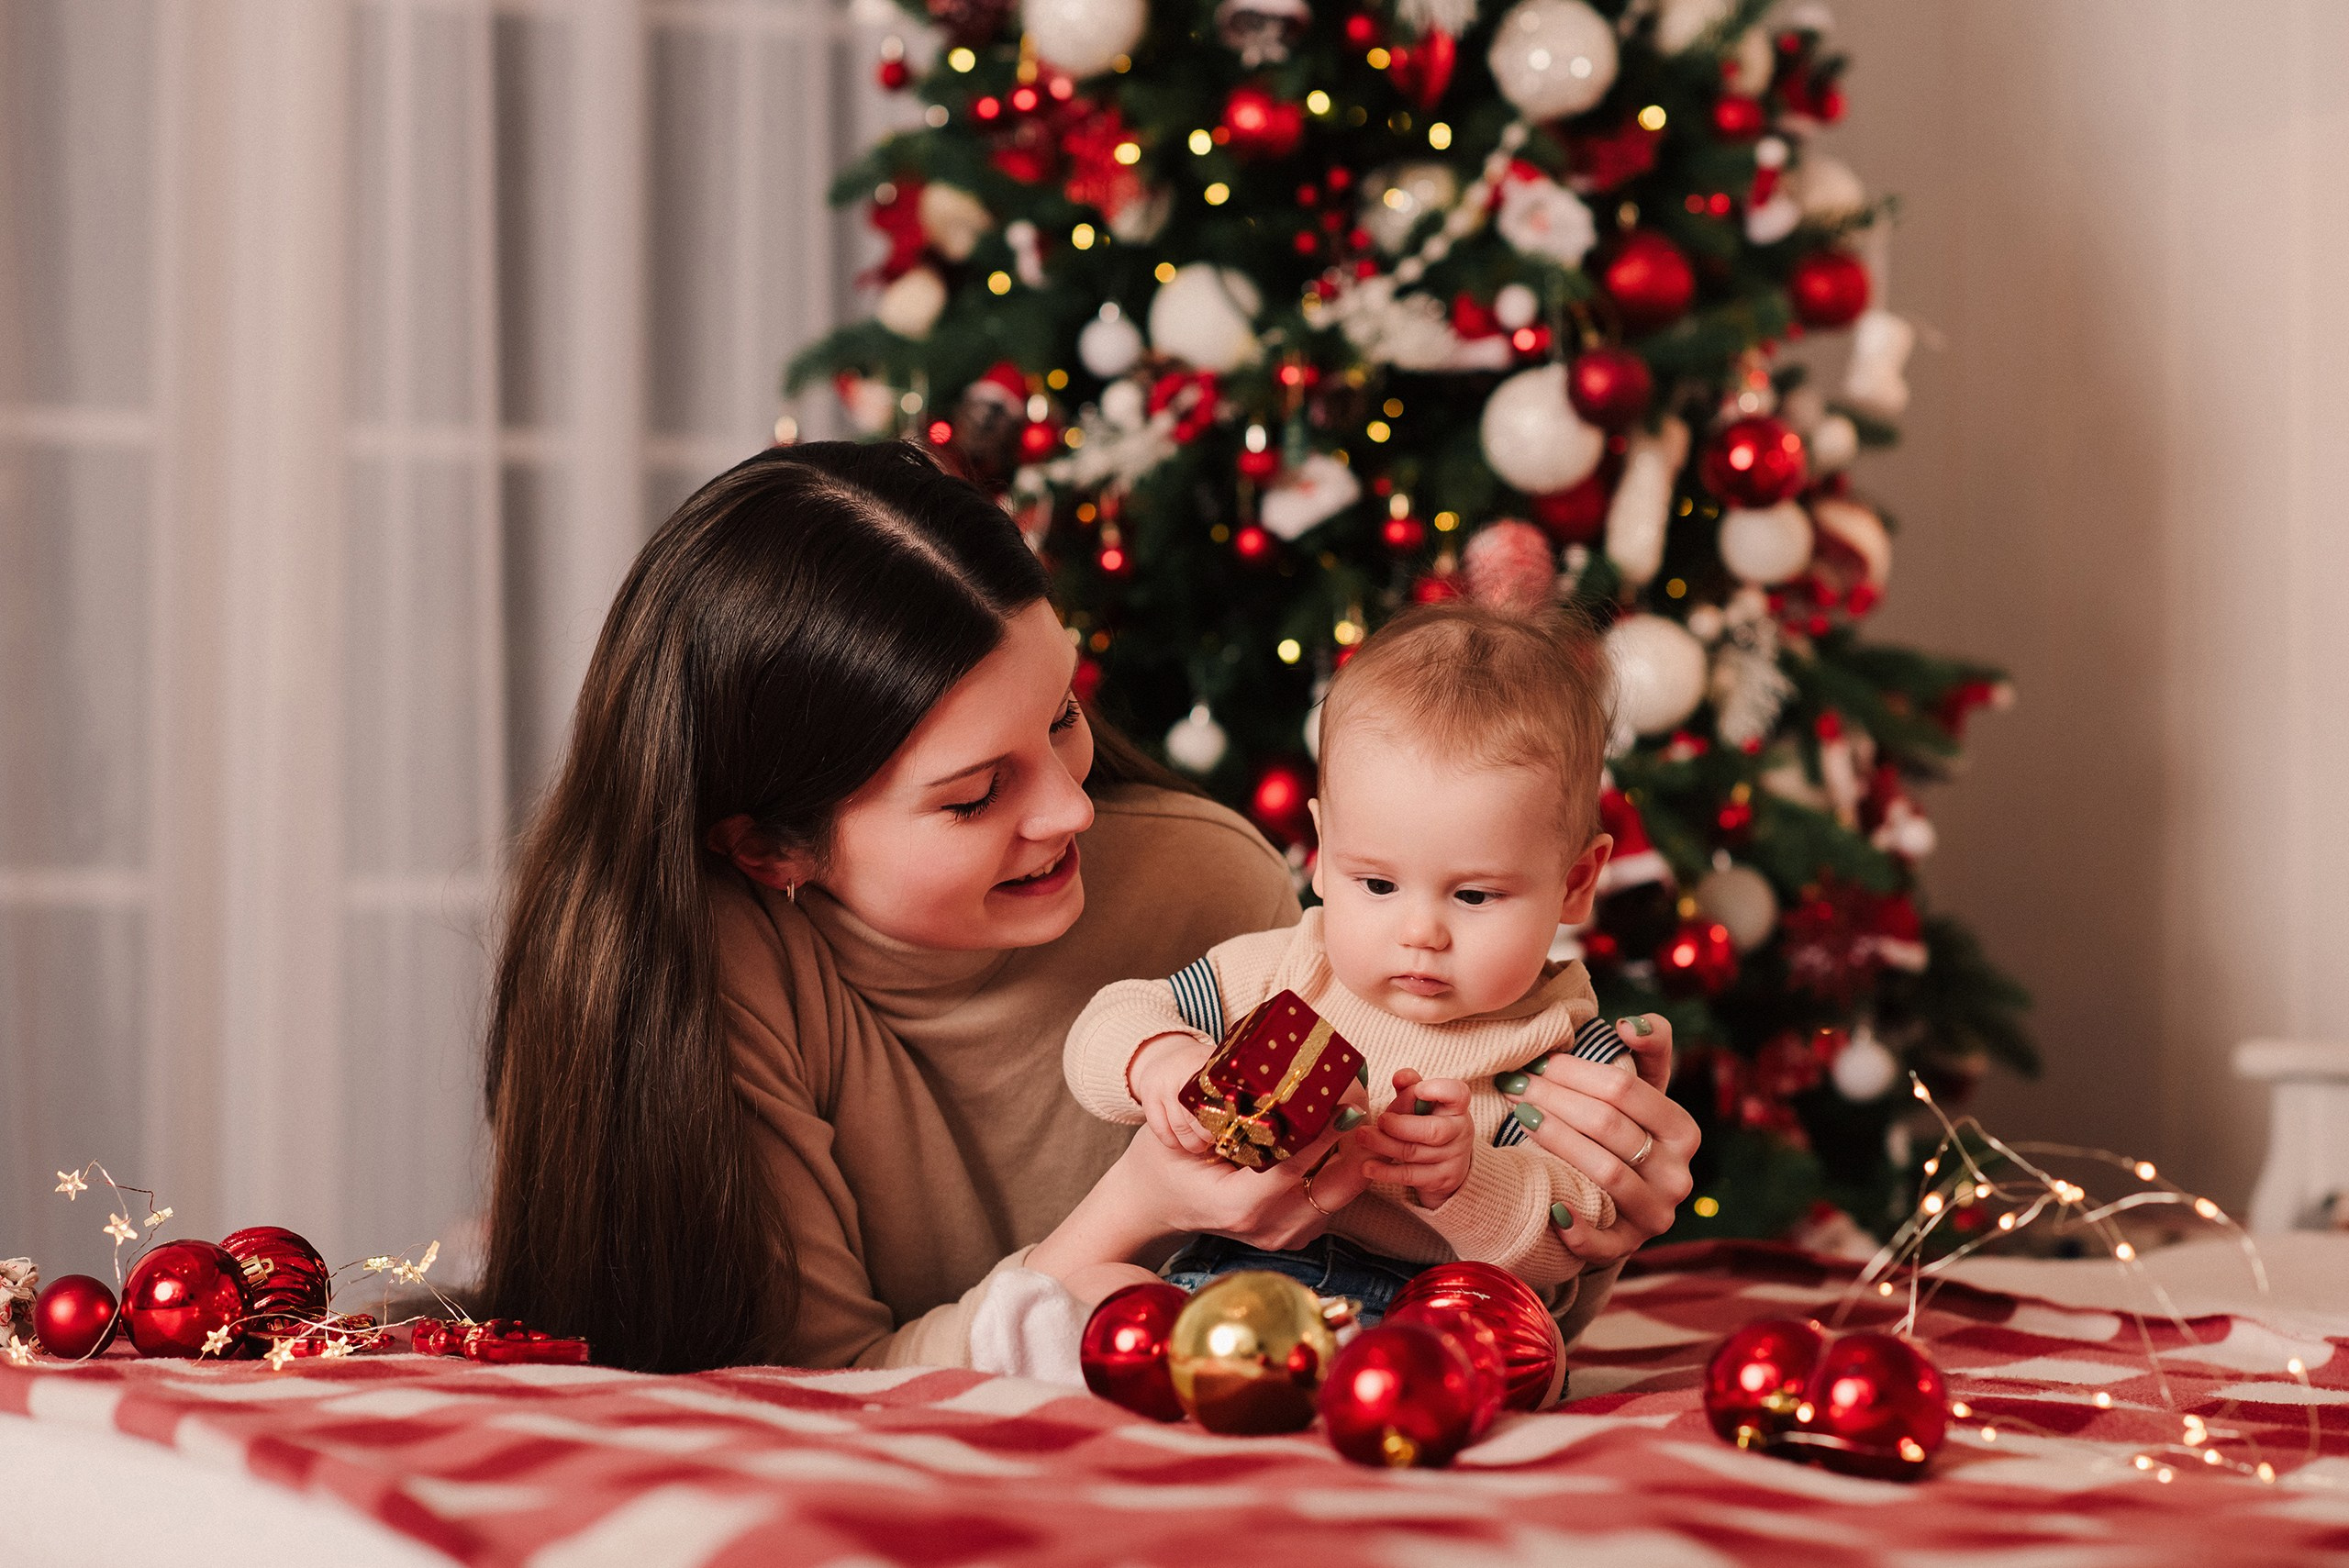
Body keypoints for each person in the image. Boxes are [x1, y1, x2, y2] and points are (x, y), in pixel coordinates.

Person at [482, 440, 1698, 1375]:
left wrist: (1594, 1212)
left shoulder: (1205, 885)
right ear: (769, 845)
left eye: (1061, 716)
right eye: (974, 797)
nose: (1072, 810)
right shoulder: (715, 977)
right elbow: (813, 1402)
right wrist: (1138, 1206)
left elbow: (1469, 1267)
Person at [1064, 604, 1657, 1329]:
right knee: (1101, 1298)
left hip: (1433, 1307)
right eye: (1376, 884)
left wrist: (1470, 1183)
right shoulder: (1284, 968)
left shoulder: (1568, 1048)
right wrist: (1163, 1065)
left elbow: (1585, 1225)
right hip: (1233, 1268)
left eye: (1474, 894)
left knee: (1512, 1355)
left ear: (1574, 882)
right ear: (1320, 852)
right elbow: (1107, 1024)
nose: (1419, 932)